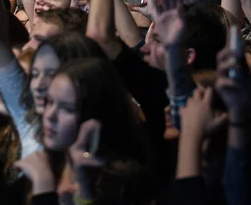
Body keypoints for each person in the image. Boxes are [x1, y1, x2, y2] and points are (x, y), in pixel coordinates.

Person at [17, 58, 152, 205]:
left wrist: (44, 189)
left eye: (67, 108)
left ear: (94, 114)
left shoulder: (124, 180)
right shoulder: (51, 161)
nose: (50, 115)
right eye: (50, 101)